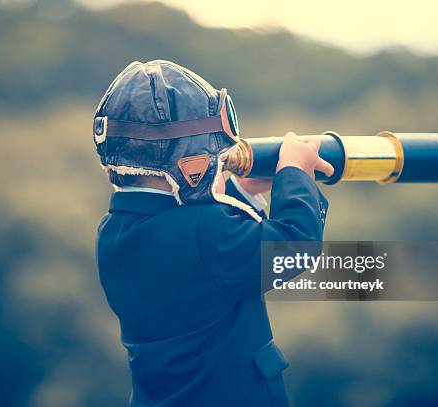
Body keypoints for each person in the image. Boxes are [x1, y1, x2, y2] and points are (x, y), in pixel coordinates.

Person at [94, 60, 333, 406]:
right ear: (187, 159)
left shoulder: (114, 233)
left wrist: (242, 191)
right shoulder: (207, 233)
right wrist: (295, 172)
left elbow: (196, 254)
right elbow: (295, 245)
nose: (218, 163)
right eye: (214, 156)